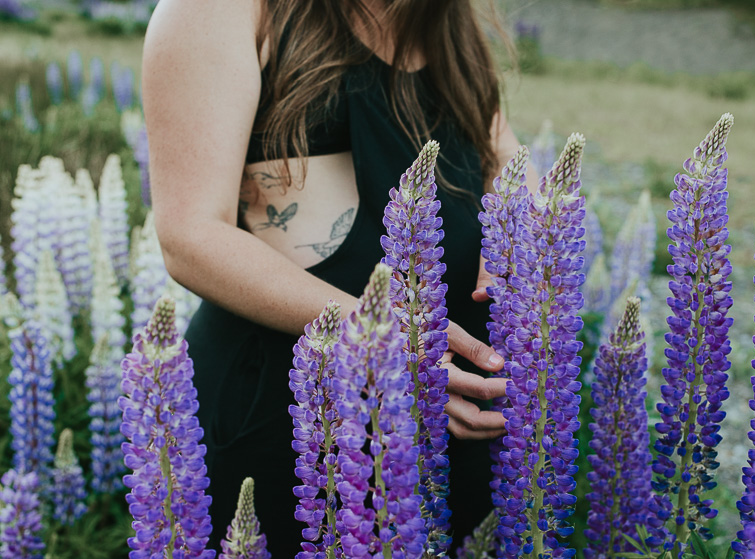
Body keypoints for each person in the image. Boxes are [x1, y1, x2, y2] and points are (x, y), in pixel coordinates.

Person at [143, 0, 534, 554]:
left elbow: (506, 158)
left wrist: (518, 234)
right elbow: (189, 234)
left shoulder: (441, 19)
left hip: (447, 432)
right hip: (293, 427)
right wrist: (387, 336)